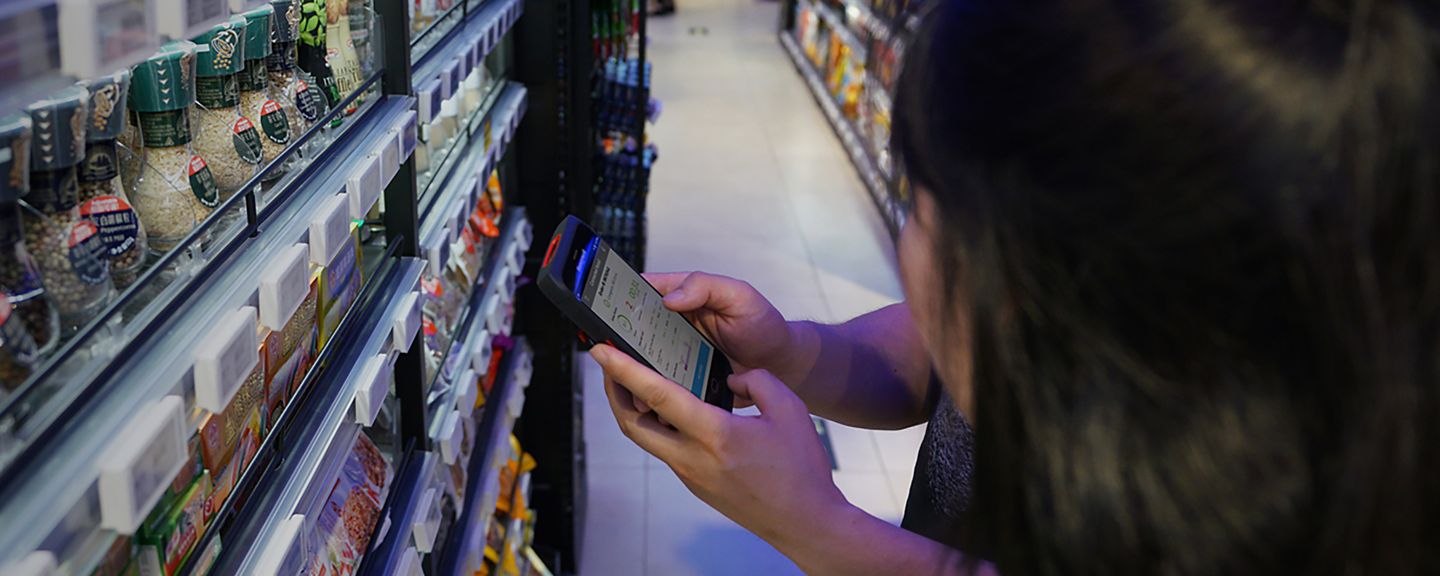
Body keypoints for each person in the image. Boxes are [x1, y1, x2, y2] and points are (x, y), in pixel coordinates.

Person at [589, 0, 1440, 573]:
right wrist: (797, 351)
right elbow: (935, 366)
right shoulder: (1108, 333)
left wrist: (824, 532)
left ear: (1037, 277)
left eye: (922, 210)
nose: (908, 246)